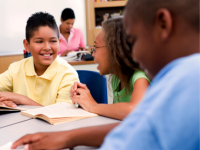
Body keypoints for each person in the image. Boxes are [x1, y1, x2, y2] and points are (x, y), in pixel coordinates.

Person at [11, 0, 200, 149]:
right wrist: (68, 137)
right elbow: (139, 126)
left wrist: (88, 113)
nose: (132, 54)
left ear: (163, 24)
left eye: (134, 40)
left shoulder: (188, 80)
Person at [70, 17, 150, 120]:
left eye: (95, 47)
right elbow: (115, 115)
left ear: (115, 51)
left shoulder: (140, 77)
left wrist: (93, 106)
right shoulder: (116, 78)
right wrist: (85, 99)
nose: (93, 54)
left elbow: (134, 111)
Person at [0, 12, 79, 107]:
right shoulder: (15, 69)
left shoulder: (68, 75)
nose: (47, 47)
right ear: (27, 45)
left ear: (59, 43)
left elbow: (61, 116)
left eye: (53, 41)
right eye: (39, 41)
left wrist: (22, 99)